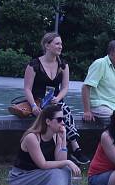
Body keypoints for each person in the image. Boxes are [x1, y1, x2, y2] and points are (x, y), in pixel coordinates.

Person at [9, 104, 82, 185]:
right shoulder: (32, 137)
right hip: (21, 178)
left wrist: (63, 139)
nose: (63, 122)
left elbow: (60, 160)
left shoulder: (55, 135)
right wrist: (68, 162)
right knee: (57, 171)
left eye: (63, 119)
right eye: (59, 119)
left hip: (39, 176)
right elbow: (43, 164)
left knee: (64, 170)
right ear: (48, 121)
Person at [23, 32, 88, 164]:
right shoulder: (34, 65)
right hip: (38, 103)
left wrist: (58, 98)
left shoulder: (63, 65)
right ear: (47, 45)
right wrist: (34, 106)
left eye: (61, 44)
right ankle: (75, 147)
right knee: (63, 111)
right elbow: (27, 89)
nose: (60, 46)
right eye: (57, 43)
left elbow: (65, 88)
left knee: (62, 109)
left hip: (56, 102)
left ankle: (70, 148)